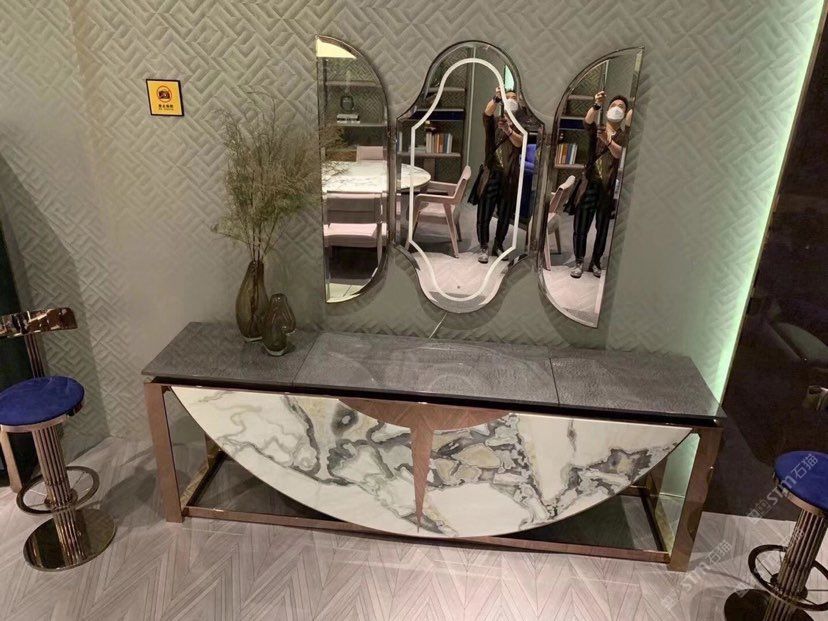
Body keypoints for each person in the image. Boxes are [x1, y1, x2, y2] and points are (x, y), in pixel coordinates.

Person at [570, 91, 629, 278]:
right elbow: (587, 121)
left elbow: (619, 154)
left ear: (625, 113)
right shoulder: (597, 129)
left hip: (608, 188)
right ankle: (579, 261)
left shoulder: (624, 136)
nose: (617, 108)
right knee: (581, 226)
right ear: (607, 109)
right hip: (589, 185)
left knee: (602, 228)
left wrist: (607, 140)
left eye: (621, 107)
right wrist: (596, 104)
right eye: (613, 105)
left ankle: (595, 262)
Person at [475, 88, 523, 264]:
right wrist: (496, 98)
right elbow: (486, 113)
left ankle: (498, 245)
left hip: (510, 177)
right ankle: (483, 246)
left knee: (505, 214)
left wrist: (509, 130)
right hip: (492, 173)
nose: (511, 100)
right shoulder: (494, 121)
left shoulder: (520, 126)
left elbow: (520, 143)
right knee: (484, 213)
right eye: (507, 97)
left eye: (514, 98)